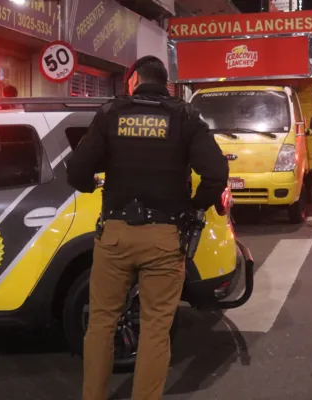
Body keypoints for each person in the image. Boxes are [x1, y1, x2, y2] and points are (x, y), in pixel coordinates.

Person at [65, 55, 230, 400]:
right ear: (165, 82)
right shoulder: (185, 117)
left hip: (115, 235)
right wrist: (195, 206)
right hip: (164, 238)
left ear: (134, 79)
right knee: (156, 328)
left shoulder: (111, 114)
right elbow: (216, 173)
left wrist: (89, 184)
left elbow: (77, 172)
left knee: (101, 323)